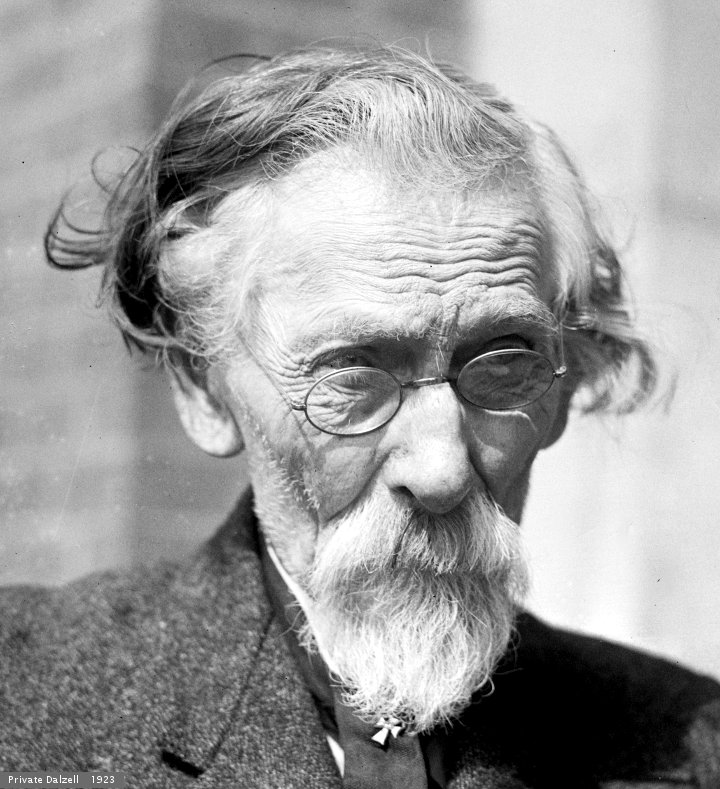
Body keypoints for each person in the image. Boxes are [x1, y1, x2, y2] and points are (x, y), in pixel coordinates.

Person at [2, 45, 718, 788]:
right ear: (204, 391)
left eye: (503, 362)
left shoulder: (692, 746)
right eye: (351, 376)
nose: (441, 470)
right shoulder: (21, 700)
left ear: (565, 387)